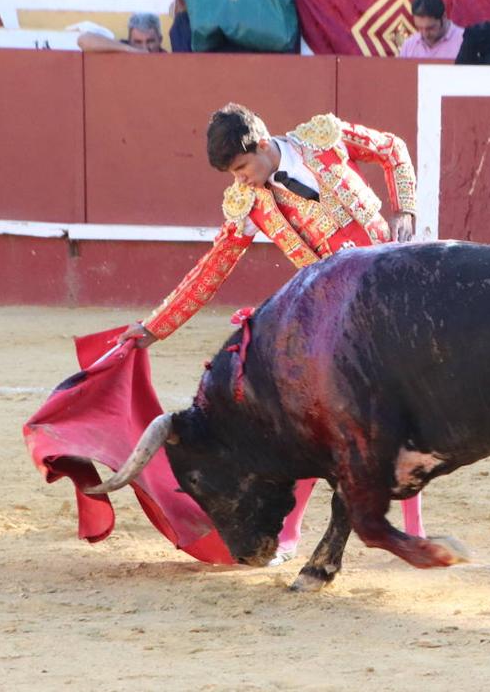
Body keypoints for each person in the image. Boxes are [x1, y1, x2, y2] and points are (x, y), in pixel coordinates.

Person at [116, 103, 423, 565]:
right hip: (333, 317)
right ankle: (288, 537)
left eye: (242, 168)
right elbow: (212, 268)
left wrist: (405, 209)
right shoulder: (249, 203)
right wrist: (155, 327)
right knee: (304, 421)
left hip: (389, 292)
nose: (241, 181)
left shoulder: (324, 138)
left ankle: (415, 532)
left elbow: (392, 149)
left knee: (398, 416)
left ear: (261, 145)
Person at [397, 0, 464, 59]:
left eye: (430, 28)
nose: (425, 34)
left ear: (444, 17)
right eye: (419, 28)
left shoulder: (465, 42)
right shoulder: (409, 45)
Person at [76, 12, 167, 53]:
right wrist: (130, 50)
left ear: (160, 40)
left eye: (150, 41)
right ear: (129, 41)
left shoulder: (167, 60)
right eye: (138, 42)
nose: (145, 48)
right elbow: (83, 40)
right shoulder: (122, 48)